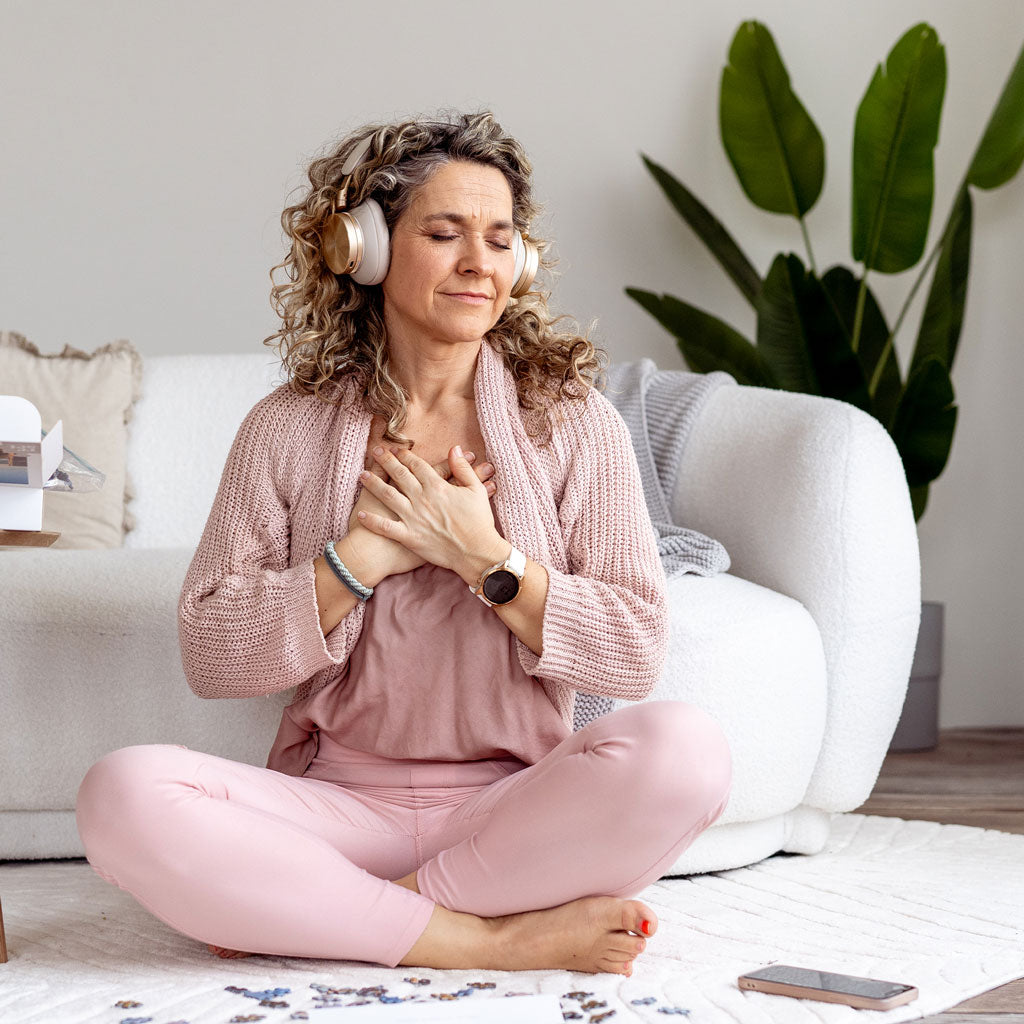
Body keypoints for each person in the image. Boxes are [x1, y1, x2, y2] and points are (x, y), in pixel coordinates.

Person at [75, 110, 732, 977]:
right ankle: (488, 936)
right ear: (368, 251)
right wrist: (361, 559)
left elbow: (634, 650)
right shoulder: (286, 429)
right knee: (121, 794)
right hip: (336, 811)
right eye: (445, 233)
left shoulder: (572, 422)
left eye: (500, 240)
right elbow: (212, 650)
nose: (478, 264)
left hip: (514, 812)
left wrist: (483, 560)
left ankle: (337, 918)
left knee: (689, 752)